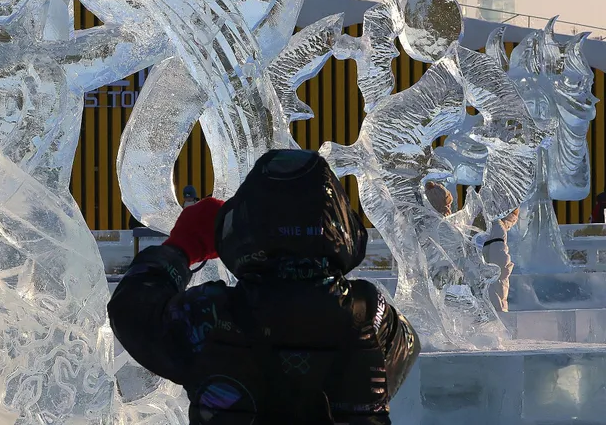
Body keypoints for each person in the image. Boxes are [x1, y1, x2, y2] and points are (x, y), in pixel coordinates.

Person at [109, 149, 420, 424]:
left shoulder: (210, 315)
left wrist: (180, 249)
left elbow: (132, 311)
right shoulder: (372, 314)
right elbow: (406, 352)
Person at [425, 182, 517, 312]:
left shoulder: (485, 223)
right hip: (483, 287)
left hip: (478, 287)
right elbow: (499, 259)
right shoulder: (493, 225)